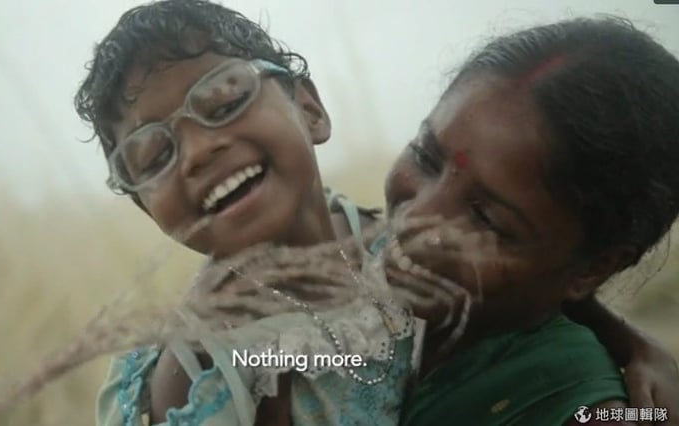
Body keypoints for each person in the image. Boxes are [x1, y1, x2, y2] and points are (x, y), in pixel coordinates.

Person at [72, 1, 679, 424]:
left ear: (310, 109)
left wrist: (629, 340)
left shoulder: (384, 245)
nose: (199, 152)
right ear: (150, 210)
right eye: (152, 156)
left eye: (225, 101)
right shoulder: (203, 371)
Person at [375, 16, 679, 425]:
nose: (417, 218)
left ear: (592, 268)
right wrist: (630, 341)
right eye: (425, 158)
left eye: (485, 217)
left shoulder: (575, 407)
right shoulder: (364, 264)